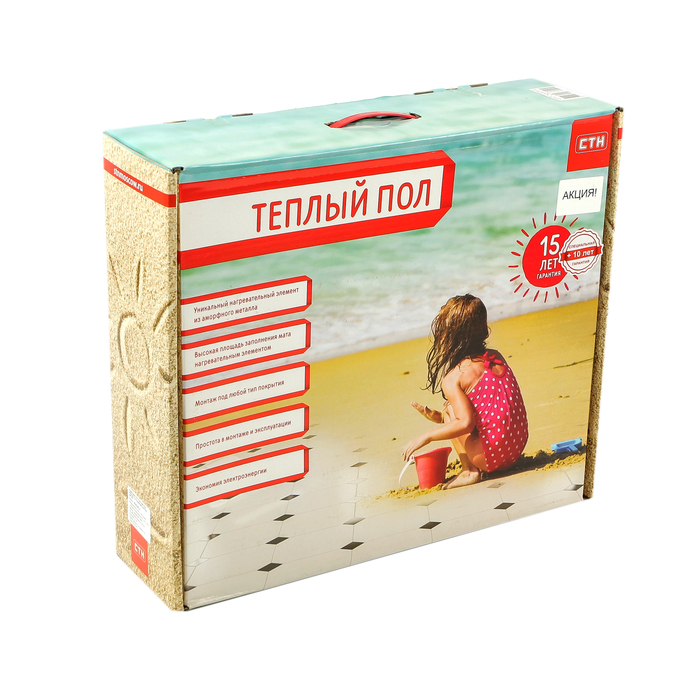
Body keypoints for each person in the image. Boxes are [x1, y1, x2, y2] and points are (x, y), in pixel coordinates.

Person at [402, 294, 528, 488]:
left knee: (450, 408)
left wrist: (426, 436)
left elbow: (466, 423)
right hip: (516, 448)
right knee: (449, 411)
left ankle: (469, 471)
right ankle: (476, 458)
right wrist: (441, 417)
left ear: (450, 337)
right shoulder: (495, 357)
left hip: (489, 457)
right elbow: (491, 409)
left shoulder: (454, 378)